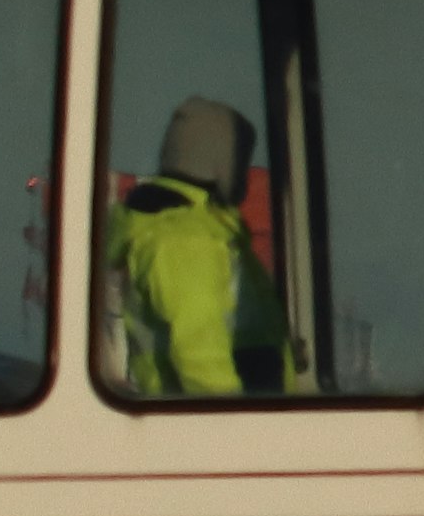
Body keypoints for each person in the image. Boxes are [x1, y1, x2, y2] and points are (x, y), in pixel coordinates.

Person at [114, 96, 292, 397]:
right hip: (228, 425)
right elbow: (198, 351)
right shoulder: (186, 238)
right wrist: (239, 429)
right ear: (221, 162)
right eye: (242, 160)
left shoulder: (179, 227)